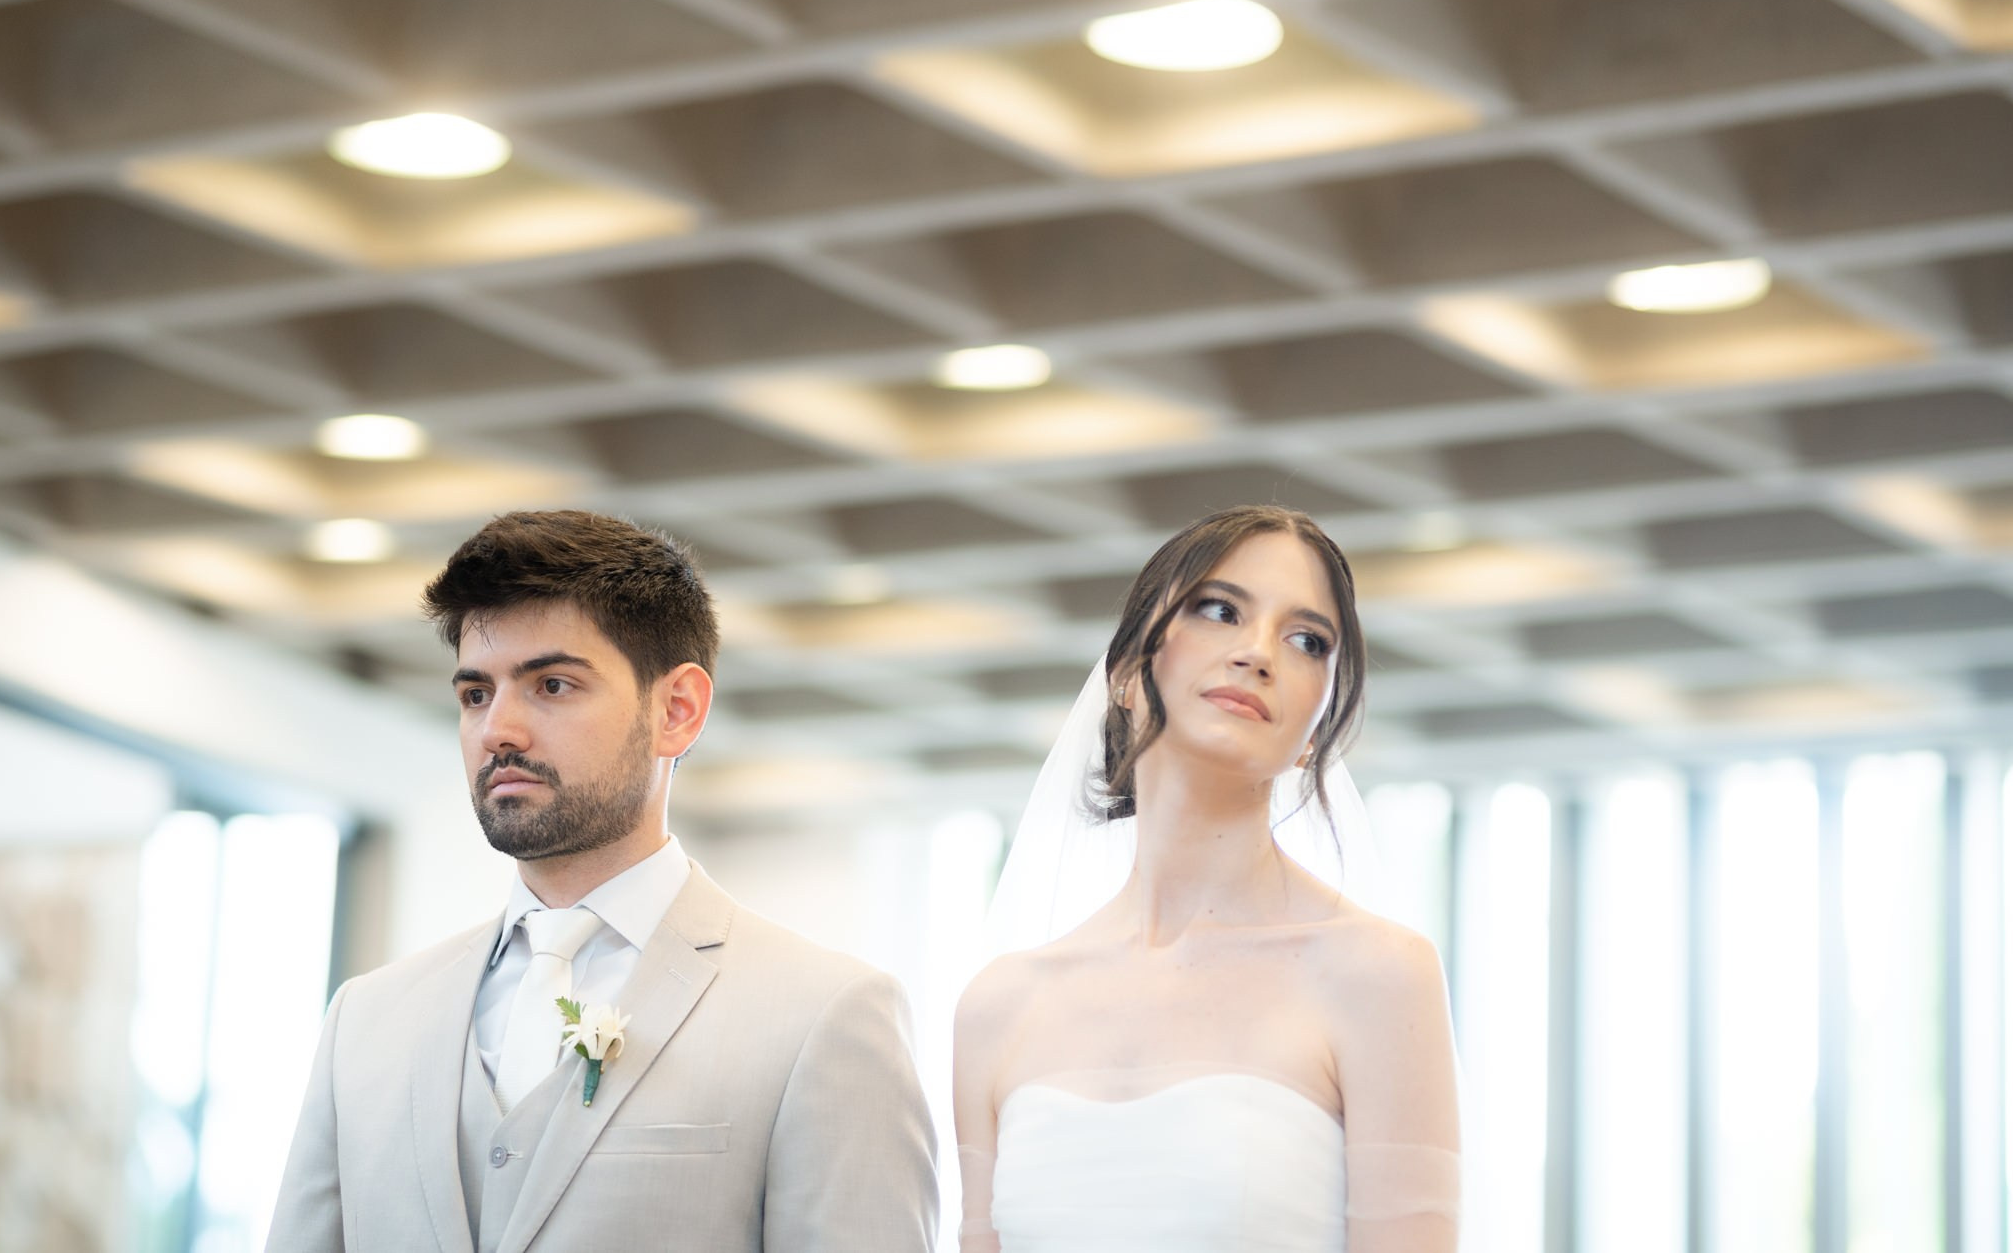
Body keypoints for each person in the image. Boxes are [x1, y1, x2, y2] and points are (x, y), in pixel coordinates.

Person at [266, 509, 939, 1253]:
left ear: (676, 711)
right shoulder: (365, 1020)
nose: (498, 730)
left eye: (551, 684)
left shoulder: (824, 1015)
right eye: (474, 694)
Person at [954, 505, 1461, 1252]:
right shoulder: (999, 1007)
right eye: (1220, 610)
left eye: (1306, 640)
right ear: (1126, 671)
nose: (1258, 653)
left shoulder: (1379, 975)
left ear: (1313, 731)